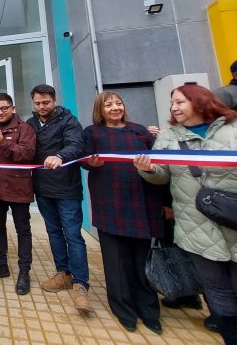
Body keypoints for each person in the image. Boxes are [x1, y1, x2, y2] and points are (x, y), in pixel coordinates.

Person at [134, 84, 237, 343]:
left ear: (200, 101)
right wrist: (147, 170)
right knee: (216, 286)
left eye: (180, 102)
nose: (174, 108)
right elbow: (162, 176)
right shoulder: (168, 137)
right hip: (196, 222)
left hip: (233, 217)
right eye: (172, 103)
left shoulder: (232, 129)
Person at [83, 92, 165, 334]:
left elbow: (160, 164)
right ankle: (123, 309)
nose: (115, 108)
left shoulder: (140, 131)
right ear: (100, 109)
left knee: (142, 261)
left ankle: (149, 310)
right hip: (109, 203)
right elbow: (83, 159)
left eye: (118, 103)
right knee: (117, 262)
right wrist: (91, 163)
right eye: (108, 105)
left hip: (142, 203)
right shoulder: (92, 132)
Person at [26, 84, 92, 314]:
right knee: (53, 232)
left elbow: (76, 145)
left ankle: (80, 283)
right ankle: (63, 273)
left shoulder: (68, 121)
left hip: (67, 189)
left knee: (73, 234)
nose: (42, 107)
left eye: (46, 102)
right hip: (43, 188)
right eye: (37, 103)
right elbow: (25, 149)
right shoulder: (31, 124)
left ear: (54, 100)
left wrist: (59, 156)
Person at [0, 93, 37, 295]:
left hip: (19, 187)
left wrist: (1, 143)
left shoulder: (25, 128)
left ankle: (24, 271)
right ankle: (1, 265)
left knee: (22, 230)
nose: (0, 112)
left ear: (12, 108)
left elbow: (27, 154)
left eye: (4, 108)